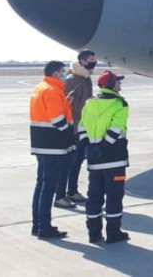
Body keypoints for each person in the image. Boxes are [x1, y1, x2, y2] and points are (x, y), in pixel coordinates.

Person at [78, 71, 131, 243]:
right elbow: (116, 129)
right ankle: (113, 233)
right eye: (118, 82)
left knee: (94, 197)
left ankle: (93, 234)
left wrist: (89, 146)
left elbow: (81, 127)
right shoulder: (120, 104)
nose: (120, 84)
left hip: (94, 162)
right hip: (114, 160)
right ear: (111, 85)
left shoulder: (89, 103)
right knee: (114, 197)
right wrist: (102, 147)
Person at [30, 61, 76, 240]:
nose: (65, 75)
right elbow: (57, 120)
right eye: (63, 72)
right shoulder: (52, 91)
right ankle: (44, 227)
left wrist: (65, 103)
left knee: (41, 185)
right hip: (53, 146)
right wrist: (68, 132)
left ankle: (38, 225)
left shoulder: (39, 88)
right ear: (56, 73)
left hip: (41, 144)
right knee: (48, 188)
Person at [54, 49, 97, 209]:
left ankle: (72, 191)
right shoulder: (74, 80)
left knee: (77, 161)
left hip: (82, 128)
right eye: (91, 59)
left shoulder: (85, 78)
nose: (94, 62)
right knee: (68, 162)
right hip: (73, 129)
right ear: (82, 61)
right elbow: (65, 105)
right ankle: (60, 195)